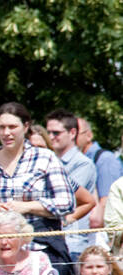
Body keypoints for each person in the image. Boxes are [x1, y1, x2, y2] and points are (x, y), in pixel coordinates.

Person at [0, 102, 76, 275]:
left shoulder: (45, 158)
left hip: (41, 249)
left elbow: (67, 202)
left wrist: (27, 207)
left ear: (26, 127)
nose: (7, 133)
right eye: (1, 127)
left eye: (12, 127)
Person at [44, 109, 99, 260]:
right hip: (51, 241)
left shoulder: (83, 164)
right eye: (48, 132)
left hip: (73, 244)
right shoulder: (48, 161)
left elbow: (65, 199)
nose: (51, 137)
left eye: (56, 133)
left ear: (72, 132)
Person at [77, 115, 122, 211]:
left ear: (89, 135)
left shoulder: (104, 159)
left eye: (76, 133)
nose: (71, 137)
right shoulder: (77, 160)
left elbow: (107, 202)